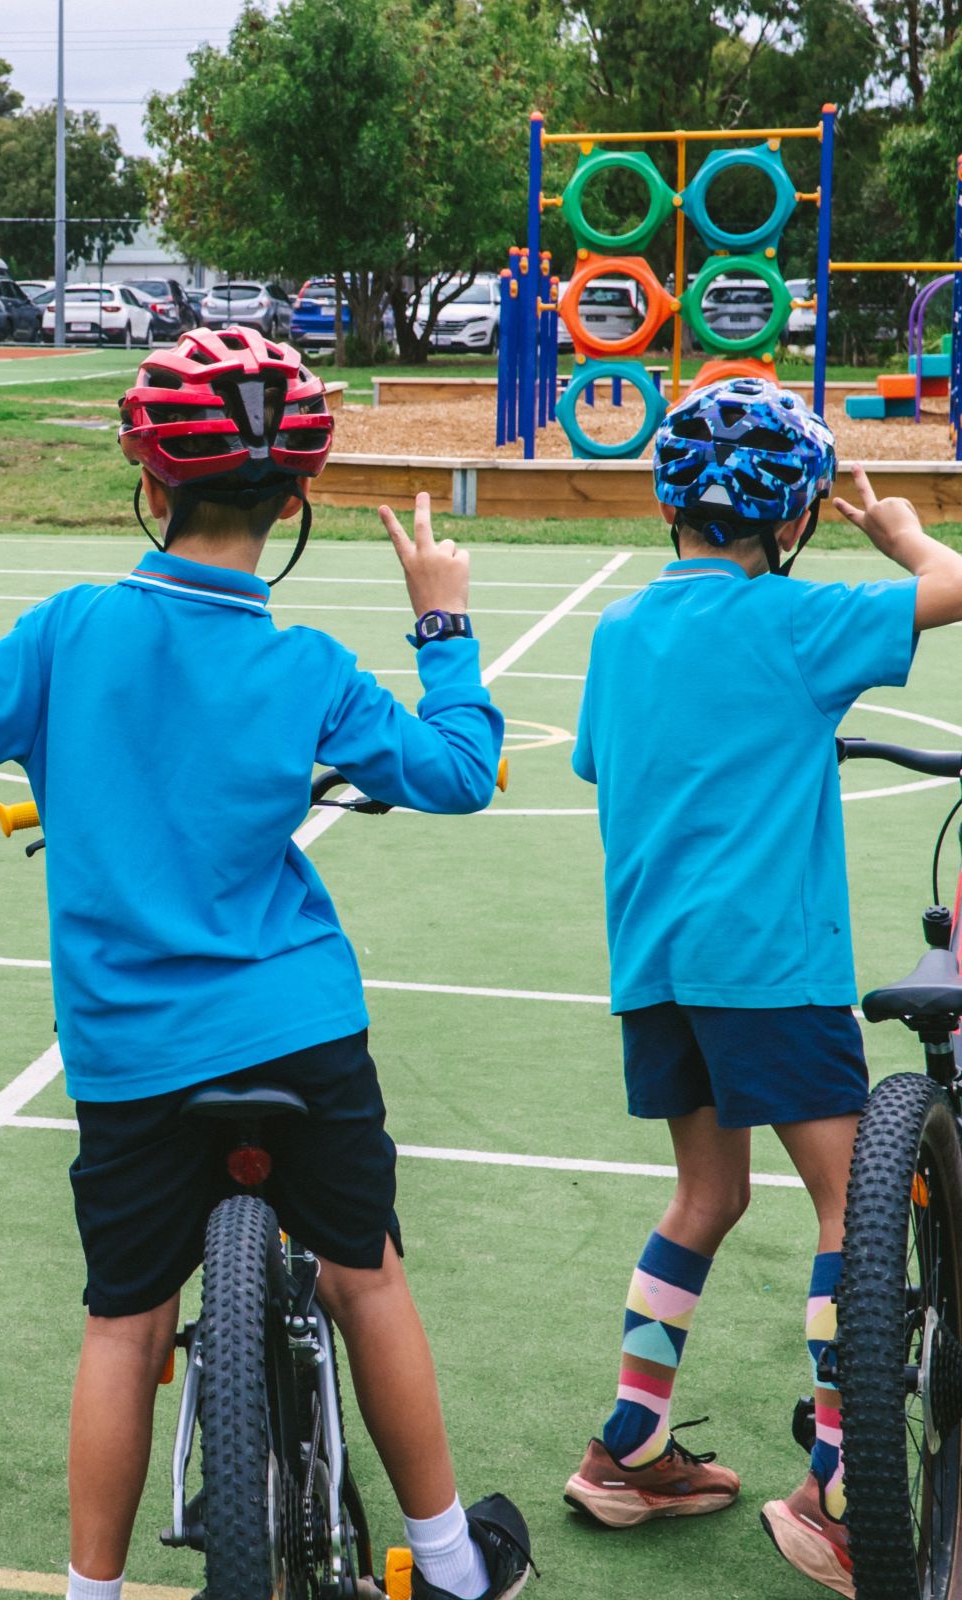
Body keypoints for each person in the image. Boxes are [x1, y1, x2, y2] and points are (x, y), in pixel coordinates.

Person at [0, 327, 531, 1600]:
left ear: (150, 478)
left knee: (125, 1322)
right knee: (364, 1272)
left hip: (131, 1049)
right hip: (296, 1021)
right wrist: (441, 617)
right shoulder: (306, 665)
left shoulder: (73, 632)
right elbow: (458, 771)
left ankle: (92, 1590)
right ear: (294, 501)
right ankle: (451, 1562)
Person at [558, 377, 962, 1595]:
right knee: (853, 1209)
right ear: (787, 521)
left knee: (706, 1195)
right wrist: (901, 539)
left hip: (657, 968)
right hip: (770, 969)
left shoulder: (619, 634)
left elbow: (596, 759)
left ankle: (627, 1447)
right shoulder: (798, 625)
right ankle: (843, 1487)